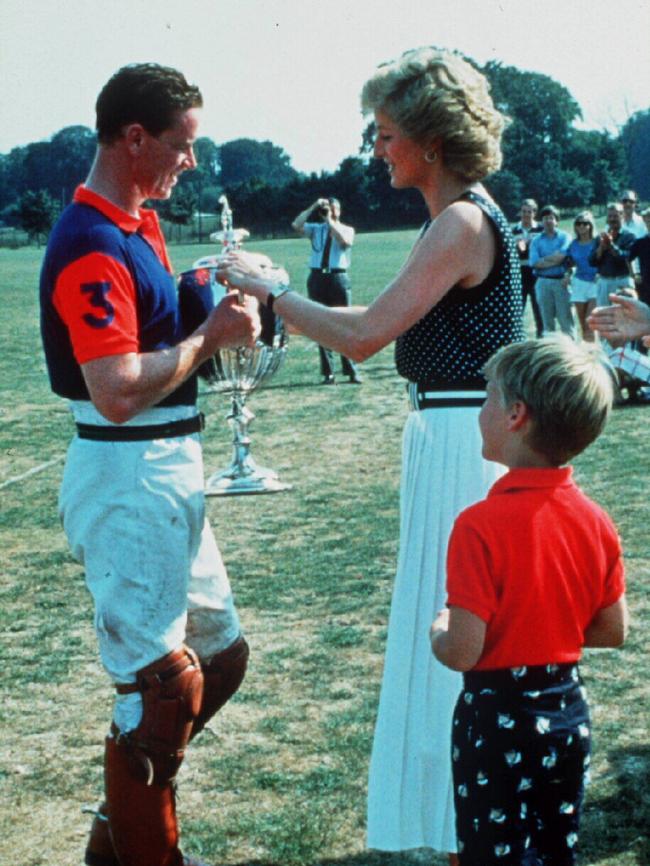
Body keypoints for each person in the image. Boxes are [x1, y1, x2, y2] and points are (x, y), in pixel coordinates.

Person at [216, 46, 525, 860]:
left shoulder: (460, 221)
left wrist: (266, 291)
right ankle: (460, 824)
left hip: (467, 440)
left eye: (386, 133)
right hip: (451, 436)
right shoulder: (459, 217)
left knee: (457, 631)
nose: (376, 147)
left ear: (428, 139)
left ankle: (468, 825)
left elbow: (360, 338)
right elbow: (370, 324)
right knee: (451, 629)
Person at [39, 63, 260, 866]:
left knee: (219, 658)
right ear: (134, 139)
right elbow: (118, 389)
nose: (190, 163)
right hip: (127, 472)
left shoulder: (136, 224)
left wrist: (205, 293)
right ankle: (145, 852)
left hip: (168, 466)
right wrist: (211, 340)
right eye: (181, 145)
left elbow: (147, 327)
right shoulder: (94, 241)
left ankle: (120, 829)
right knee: (161, 692)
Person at [430, 336, 628, 866]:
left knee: (492, 856)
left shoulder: (478, 526)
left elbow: (463, 651)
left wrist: (438, 627)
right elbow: (612, 630)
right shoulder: (596, 520)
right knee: (552, 852)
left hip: (497, 720)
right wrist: (545, 620)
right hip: (567, 713)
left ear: (516, 414)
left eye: (488, 395)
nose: (481, 408)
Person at [291, 196, 362, 384]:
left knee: (345, 323)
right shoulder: (316, 229)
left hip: (338, 277)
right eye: (327, 207)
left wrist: (330, 221)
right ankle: (328, 372)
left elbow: (345, 241)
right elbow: (296, 225)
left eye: (333, 207)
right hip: (317, 277)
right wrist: (314, 206)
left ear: (339, 210)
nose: (330, 210)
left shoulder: (346, 229)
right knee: (320, 324)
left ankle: (351, 369)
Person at [529, 205, 574, 337]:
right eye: (545, 218)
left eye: (551, 218)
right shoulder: (536, 241)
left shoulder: (565, 237)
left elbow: (562, 257)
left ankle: (571, 352)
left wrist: (546, 260)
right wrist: (555, 258)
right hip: (543, 283)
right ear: (541, 221)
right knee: (547, 323)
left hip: (561, 282)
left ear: (557, 220)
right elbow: (534, 263)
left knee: (566, 321)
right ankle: (550, 353)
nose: (548, 221)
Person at [589, 202, 636, 306]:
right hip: (604, 282)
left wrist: (611, 246)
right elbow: (591, 261)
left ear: (622, 215)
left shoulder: (629, 236)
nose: (612, 219)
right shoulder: (600, 237)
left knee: (625, 317)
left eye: (615, 216)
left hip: (622, 281)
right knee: (604, 317)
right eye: (610, 216)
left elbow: (626, 257)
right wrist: (601, 247)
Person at [563, 211, 598, 341]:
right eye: (578, 223)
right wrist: (567, 274)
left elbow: (604, 260)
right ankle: (587, 352)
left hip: (595, 284)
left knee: (590, 323)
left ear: (590, 225)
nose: (581, 226)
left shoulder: (597, 242)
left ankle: (594, 352)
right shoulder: (573, 244)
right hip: (579, 284)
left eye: (585, 223)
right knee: (583, 325)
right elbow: (568, 263)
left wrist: (600, 273)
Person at [511, 198, 544, 337]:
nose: (526, 215)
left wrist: (529, 246)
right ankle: (516, 338)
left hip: (536, 273)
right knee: (518, 308)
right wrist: (517, 248)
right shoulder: (514, 230)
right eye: (524, 211)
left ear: (534, 213)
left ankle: (541, 338)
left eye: (529, 212)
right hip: (519, 273)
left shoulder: (541, 229)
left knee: (539, 308)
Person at [629, 207, 650, 305]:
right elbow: (627, 258)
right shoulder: (641, 242)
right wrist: (634, 275)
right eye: (648, 219)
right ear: (645, 221)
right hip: (646, 286)